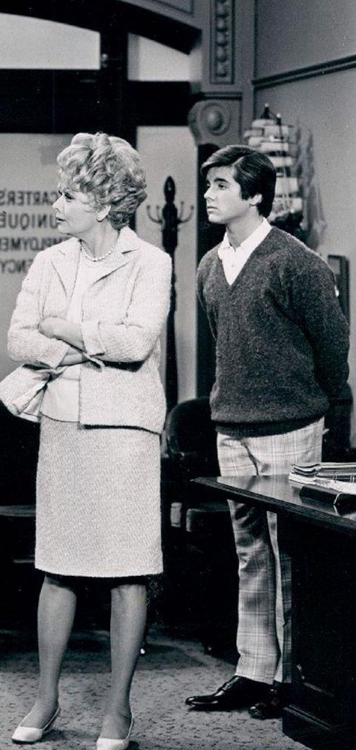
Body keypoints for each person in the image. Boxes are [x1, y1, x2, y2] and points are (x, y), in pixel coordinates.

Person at [0, 132, 171, 750]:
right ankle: (46, 699)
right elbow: (20, 340)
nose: (56, 205)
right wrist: (87, 346)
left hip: (125, 434)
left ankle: (118, 710)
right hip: (65, 427)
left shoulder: (152, 262)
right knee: (59, 568)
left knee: (128, 573)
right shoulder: (50, 261)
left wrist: (65, 329)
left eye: (68, 194)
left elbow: (136, 343)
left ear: (103, 202)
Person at [185, 145, 349, 719]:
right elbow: (221, 345)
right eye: (209, 185)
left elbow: (333, 344)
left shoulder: (295, 261)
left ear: (254, 195)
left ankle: (291, 678)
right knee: (250, 552)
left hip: (291, 423)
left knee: (289, 551)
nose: (209, 194)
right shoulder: (209, 265)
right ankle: (253, 671)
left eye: (222, 185)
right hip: (232, 424)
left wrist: (338, 408)